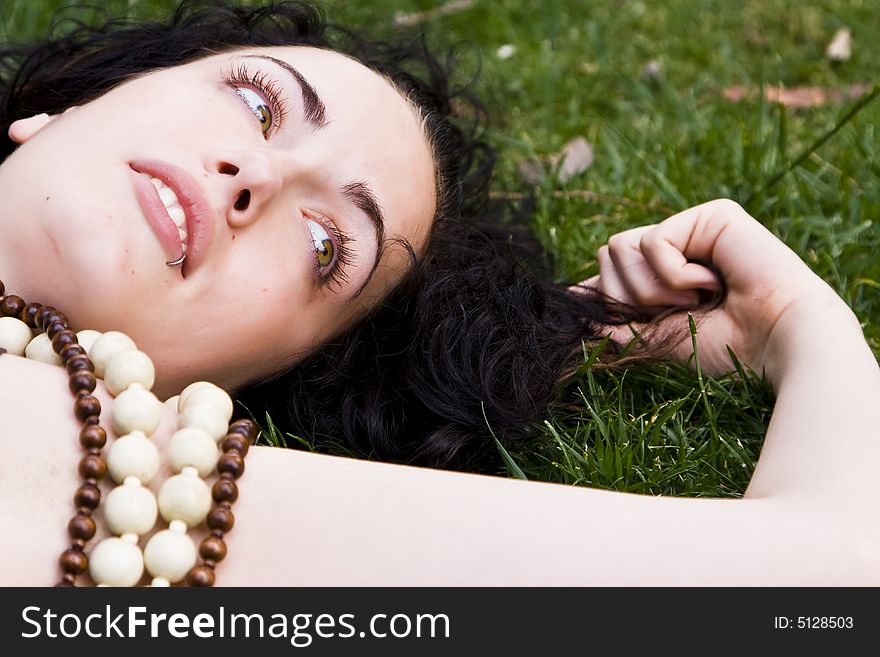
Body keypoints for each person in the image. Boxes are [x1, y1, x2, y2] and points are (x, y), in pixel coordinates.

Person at [0, 0, 877, 585]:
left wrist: (794, 323)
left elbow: (822, 576)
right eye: (259, 104)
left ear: (237, 384)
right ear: (72, 104)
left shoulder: (92, 467)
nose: (256, 174)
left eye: (323, 246)